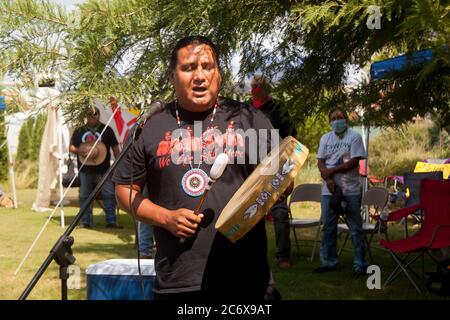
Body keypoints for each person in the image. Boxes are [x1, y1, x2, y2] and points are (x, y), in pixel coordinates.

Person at [113, 35, 277, 300]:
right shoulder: (149, 127)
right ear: (172, 76)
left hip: (247, 278)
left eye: (207, 66)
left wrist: (282, 183)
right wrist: (165, 218)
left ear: (219, 74)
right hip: (179, 281)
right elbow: (124, 191)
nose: (200, 75)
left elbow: (278, 177)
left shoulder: (249, 119)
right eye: (189, 68)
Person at [315, 108, 368, 276]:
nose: (337, 120)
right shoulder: (325, 138)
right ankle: (329, 262)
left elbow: (353, 162)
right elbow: (320, 162)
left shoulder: (355, 137)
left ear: (346, 119)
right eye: (334, 118)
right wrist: (328, 179)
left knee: (355, 227)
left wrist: (331, 171)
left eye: (340, 117)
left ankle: (360, 264)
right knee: (328, 226)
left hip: (350, 189)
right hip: (329, 190)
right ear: (330, 122)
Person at [250, 75, 295, 269]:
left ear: (267, 88)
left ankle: (283, 256)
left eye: (260, 86)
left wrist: (289, 170)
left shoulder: (279, 109)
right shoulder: (246, 108)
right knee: (250, 214)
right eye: (254, 86)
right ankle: (250, 256)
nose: (256, 88)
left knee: (279, 212)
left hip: (276, 167)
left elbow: (291, 139)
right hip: (250, 168)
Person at [69, 107, 122, 228]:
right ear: (86, 116)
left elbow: (115, 147)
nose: (92, 117)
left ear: (99, 115)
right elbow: (71, 147)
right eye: (90, 114)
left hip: (104, 169)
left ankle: (111, 221)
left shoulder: (106, 129)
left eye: (95, 114)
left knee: (108, 194)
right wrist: (80, 150)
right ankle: (85, 221)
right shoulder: (80, 130)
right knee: (84, 195)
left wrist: (117, 164)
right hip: (85, 169)